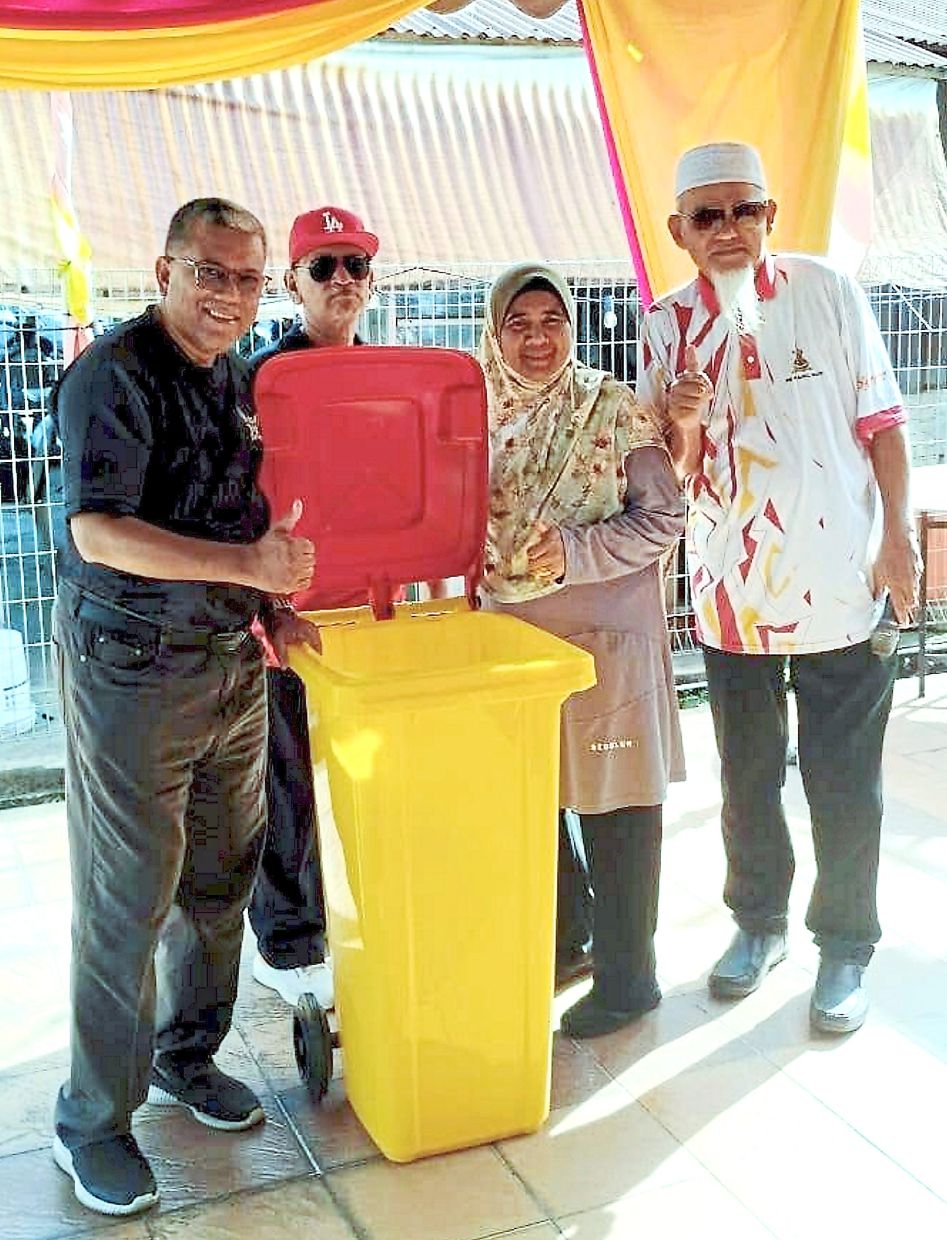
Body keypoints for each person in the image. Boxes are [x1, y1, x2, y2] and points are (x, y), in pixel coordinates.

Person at [51, 197, 318, 1217]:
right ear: (163, 268)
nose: (229, 296)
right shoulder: (110, 376)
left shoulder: (238, 383)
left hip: (228, 664)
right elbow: (97, 534)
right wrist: (243, 563)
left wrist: (273, 605)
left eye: (248, 279)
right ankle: (92, 1123)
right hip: (131, 673)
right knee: (128, 900)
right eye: (210, 272)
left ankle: (185, 1055)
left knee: (219, 877)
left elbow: (245, 517)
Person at [638, 142, 921, 1035]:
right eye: (709, 216)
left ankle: (844, 944)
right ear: (679, 232)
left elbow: (882, 426)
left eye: (744, 211)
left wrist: (898, 541)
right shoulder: (663, 324)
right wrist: (678, 422)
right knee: (746, 778)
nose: (729, 231)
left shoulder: (825, 291)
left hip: (840, 578)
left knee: (845, 781)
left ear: (770, 216)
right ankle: (756, 925)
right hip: (730, 592)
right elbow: (670, 474)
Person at [479, 262, 686, 1039]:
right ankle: (566, 945)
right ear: (494, 332)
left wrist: (570, 553)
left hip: (607, 643)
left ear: (572, 325)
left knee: (617, 805)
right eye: (519, 324)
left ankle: (631, 980)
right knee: (533, 800)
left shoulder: (610, 407)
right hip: (511, 640)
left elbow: (663, 519)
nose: (537, 339)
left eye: (551, 321)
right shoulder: (475, 410)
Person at [247, 205, 378, 1010]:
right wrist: (262, 602)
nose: (341, 282)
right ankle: (287, 942)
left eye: (354, 265)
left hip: (368, 609)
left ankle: (352, 916)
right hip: (288, 610)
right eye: (322, 266)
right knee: (286, 779)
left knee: (359, 775)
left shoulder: (388, 373)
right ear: (292, 281)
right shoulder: (260, 379)